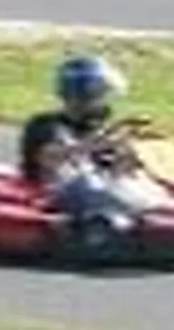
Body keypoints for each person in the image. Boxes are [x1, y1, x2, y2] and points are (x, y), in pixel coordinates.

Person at [16, 52, 154, 216]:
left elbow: (114, 172)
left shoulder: (98, 130)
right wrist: (97, 144)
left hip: (99, 199)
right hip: (53, 196)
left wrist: (130, 158)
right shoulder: (44, 125)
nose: (104, 102)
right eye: (100, 96)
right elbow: (50, 158)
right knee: (89, 184)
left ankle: (151, 213)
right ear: (84, 95)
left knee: (140, 185)